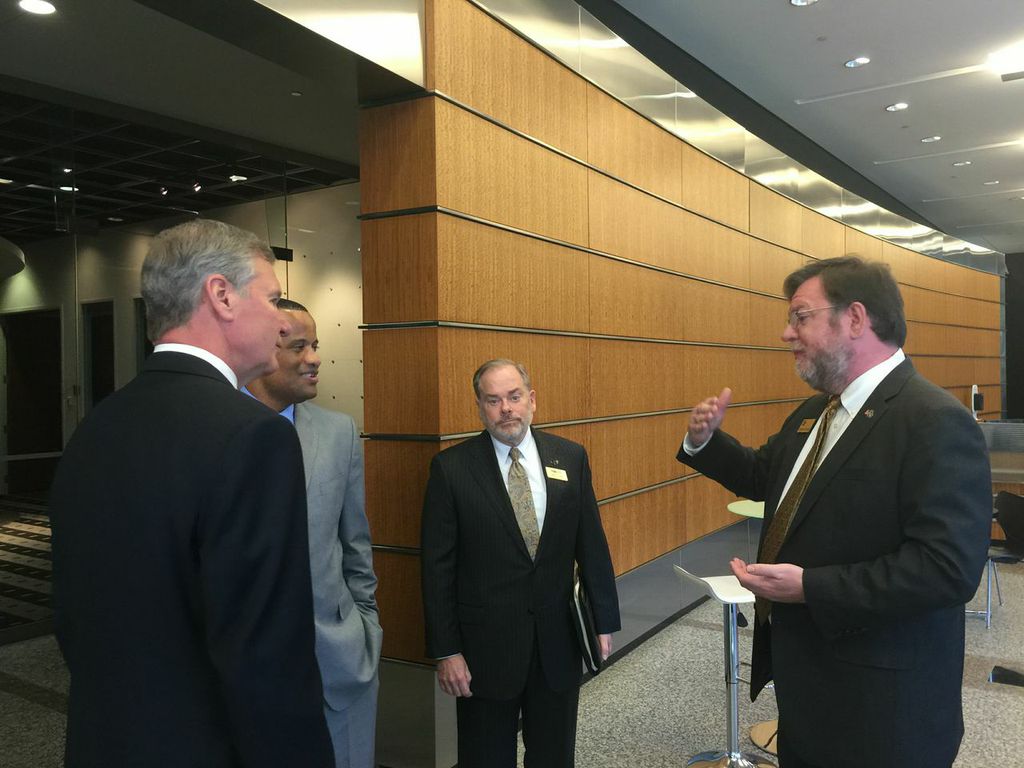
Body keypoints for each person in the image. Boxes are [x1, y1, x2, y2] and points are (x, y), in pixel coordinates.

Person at [677, 256, 991, 767]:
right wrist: (705, 442)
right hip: (812, 688)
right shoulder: (816, 412)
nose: (786, 333)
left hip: (884, 710)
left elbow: (946, 570)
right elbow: (767, 476)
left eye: (800, 317)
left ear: (855, 319)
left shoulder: (933, 422)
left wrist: (809, 588)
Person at [49, 219, 333, 768]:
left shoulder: (96, 427)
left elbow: (76, 620)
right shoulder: (255, 437)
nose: (280, 321)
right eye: (272, 298)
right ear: (221, 296)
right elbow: (266, 659)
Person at [421, 359, 620, 768]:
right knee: (485, 758)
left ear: (532, 400)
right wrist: (447, 651)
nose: (505, 408)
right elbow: (437, 569)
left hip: (557, 644)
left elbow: (592, 546)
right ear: (480, 408)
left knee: (553, 755)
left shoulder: (571, 457)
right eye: (493, 400)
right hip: (484, 653)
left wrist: (603, 621)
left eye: (513, 397)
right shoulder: (451, 469)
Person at [247, 299, 382, 768]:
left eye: (317, 345)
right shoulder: (219, 434)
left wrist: (366, 624)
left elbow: (355, 543)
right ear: (263, 352)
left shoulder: (339, 432)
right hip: (249, 673)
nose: (315, 358)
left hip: (338, 661)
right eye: (299, 346)